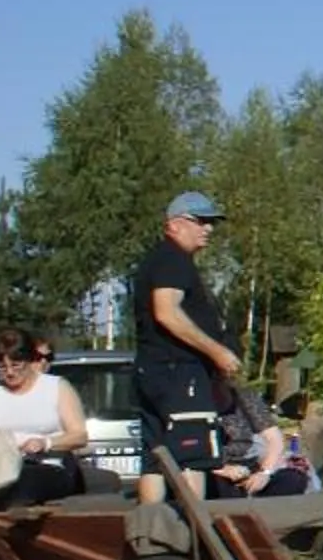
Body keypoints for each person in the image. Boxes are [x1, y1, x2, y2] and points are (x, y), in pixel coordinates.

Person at [132, 190, 241, 502]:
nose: (208, 229)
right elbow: (166, 311)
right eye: (201, 221)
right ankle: (195, 537)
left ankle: (150, 537)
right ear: (175, 224)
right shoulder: (173, 259)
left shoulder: (158, 259)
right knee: (192, 457)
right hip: (179, 373)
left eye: (211, 223)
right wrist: (217, 351)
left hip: (153, 370)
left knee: (156, 458)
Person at [0, 328, 89, 507]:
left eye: (16, 365)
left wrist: (46, 443)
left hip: (45, 467)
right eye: (2, 367)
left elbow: (79, 435)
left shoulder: (55, 387)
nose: (10, 373)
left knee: (25, 482)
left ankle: (15, 520)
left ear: (29, 360)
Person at [206, 384, 313, 499]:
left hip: (248, 466)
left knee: (293, 480)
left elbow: (274, 439)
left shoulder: (243, 395)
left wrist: (264, 473)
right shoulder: (191, 401)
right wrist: (222, 469)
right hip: (211, 468)